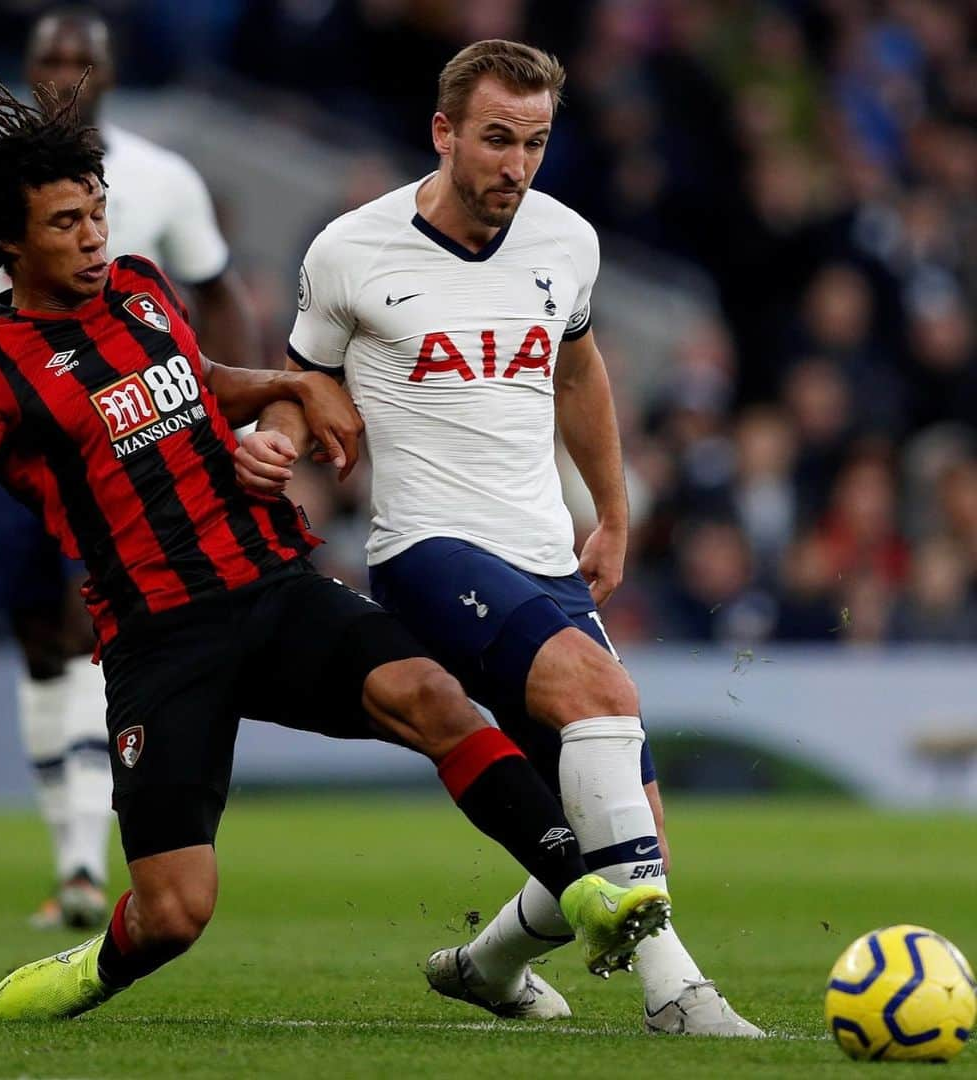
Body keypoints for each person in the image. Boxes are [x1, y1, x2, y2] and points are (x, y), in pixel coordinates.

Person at [0, 65, 670, 1022]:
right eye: (67, 225)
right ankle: (89, 968)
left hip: (272, 586)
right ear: (9, 245)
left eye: (98, 213)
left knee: (433, 697)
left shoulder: (141, 289)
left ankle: (590, 891)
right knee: (177, 914)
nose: (96, 238)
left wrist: (285, 387)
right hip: (159, 636)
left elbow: (201, 375)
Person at [245, 40, 761, 1036]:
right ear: (443, 132)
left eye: (533, 143)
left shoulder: (566, 241)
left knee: (624, 837)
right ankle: (677, 997)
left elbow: (579, 375)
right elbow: (299, 388)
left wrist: (611, 513)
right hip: (425, 550)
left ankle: (487, 965)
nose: (514, 166)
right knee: (602, 696)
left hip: (543, 551)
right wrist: (272, 444)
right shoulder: (351, 249)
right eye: (495, 140)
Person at [0, 7, 255, 931]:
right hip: (16, 435)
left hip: (129, 442)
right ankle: (74, 864)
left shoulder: (162, 179)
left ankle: (88, 862)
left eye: (79, 59)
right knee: (38, 640)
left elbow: (219, 295)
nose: (63, 71)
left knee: (89, 630)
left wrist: (227, 409)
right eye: (47, 58)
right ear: (29, 68)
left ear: (109, 70)